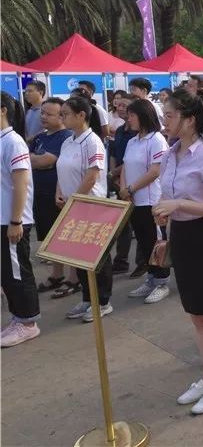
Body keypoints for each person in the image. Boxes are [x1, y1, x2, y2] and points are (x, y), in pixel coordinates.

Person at [153, 87, 203, 415]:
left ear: (189, 121)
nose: (165, 121)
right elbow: (167, 197)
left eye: (170, 115)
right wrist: (165, 216)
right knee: (197, 317)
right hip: (183, 237)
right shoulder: (169, 154)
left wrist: (179, 204)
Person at [57, 95, 112, 322]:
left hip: (91, 205)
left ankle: (103, 301)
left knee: (98, 254)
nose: (62, 118)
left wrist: (76, 198)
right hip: (72, 205)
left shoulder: (93, 141)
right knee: (79, 254)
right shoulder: (68, 141)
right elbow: (61, 169)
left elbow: (92, 176)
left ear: (82, 116)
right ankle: (87, 297)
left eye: (65, 114)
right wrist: (59, 192)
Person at [120, 99, 171, 304]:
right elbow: (125, 166)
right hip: (134, 200)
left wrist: (131, 188)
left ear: (143, 116)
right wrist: (124, 189)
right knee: (143, 241)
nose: (128, 118)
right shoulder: (133, 141)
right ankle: (150, 278)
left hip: (151, 200)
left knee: (155, 241)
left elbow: (155, 170)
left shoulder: (156, 139)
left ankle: (162, 280)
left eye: (132, 115)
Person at [1, 91, 40, 347]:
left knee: (17, 272)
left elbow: (21, 182)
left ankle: (28, 322)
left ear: (2, 109)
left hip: (12, 220)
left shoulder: (13, 142)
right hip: (3, 218)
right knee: (7, 273)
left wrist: (16, 221)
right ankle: (18, 317)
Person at [30, 98, 72, 294]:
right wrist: (35, 160)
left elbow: (46, 161)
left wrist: (32, 159)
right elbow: (33, 159)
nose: (43, 117)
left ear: (62, 116)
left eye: (49, 114)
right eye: (43, 113)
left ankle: (73, 277)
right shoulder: (41, 138)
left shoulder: (65, 137)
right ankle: (57, 274)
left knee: (64, 237)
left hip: (59, 195)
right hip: (39, 194)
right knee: (49, 237)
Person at [108, 93, 137, 276]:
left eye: (124, 106)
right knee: (122, 224)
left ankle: (147, 265)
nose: (120, 108)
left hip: (134, 182)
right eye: (118, 105)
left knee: (140, 225)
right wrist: (114, 176)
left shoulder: (138, 133)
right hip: (119, 182)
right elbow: (113, 153)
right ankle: (121, 260)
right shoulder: (119, 131)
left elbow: (130, 160)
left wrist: (116, 173)